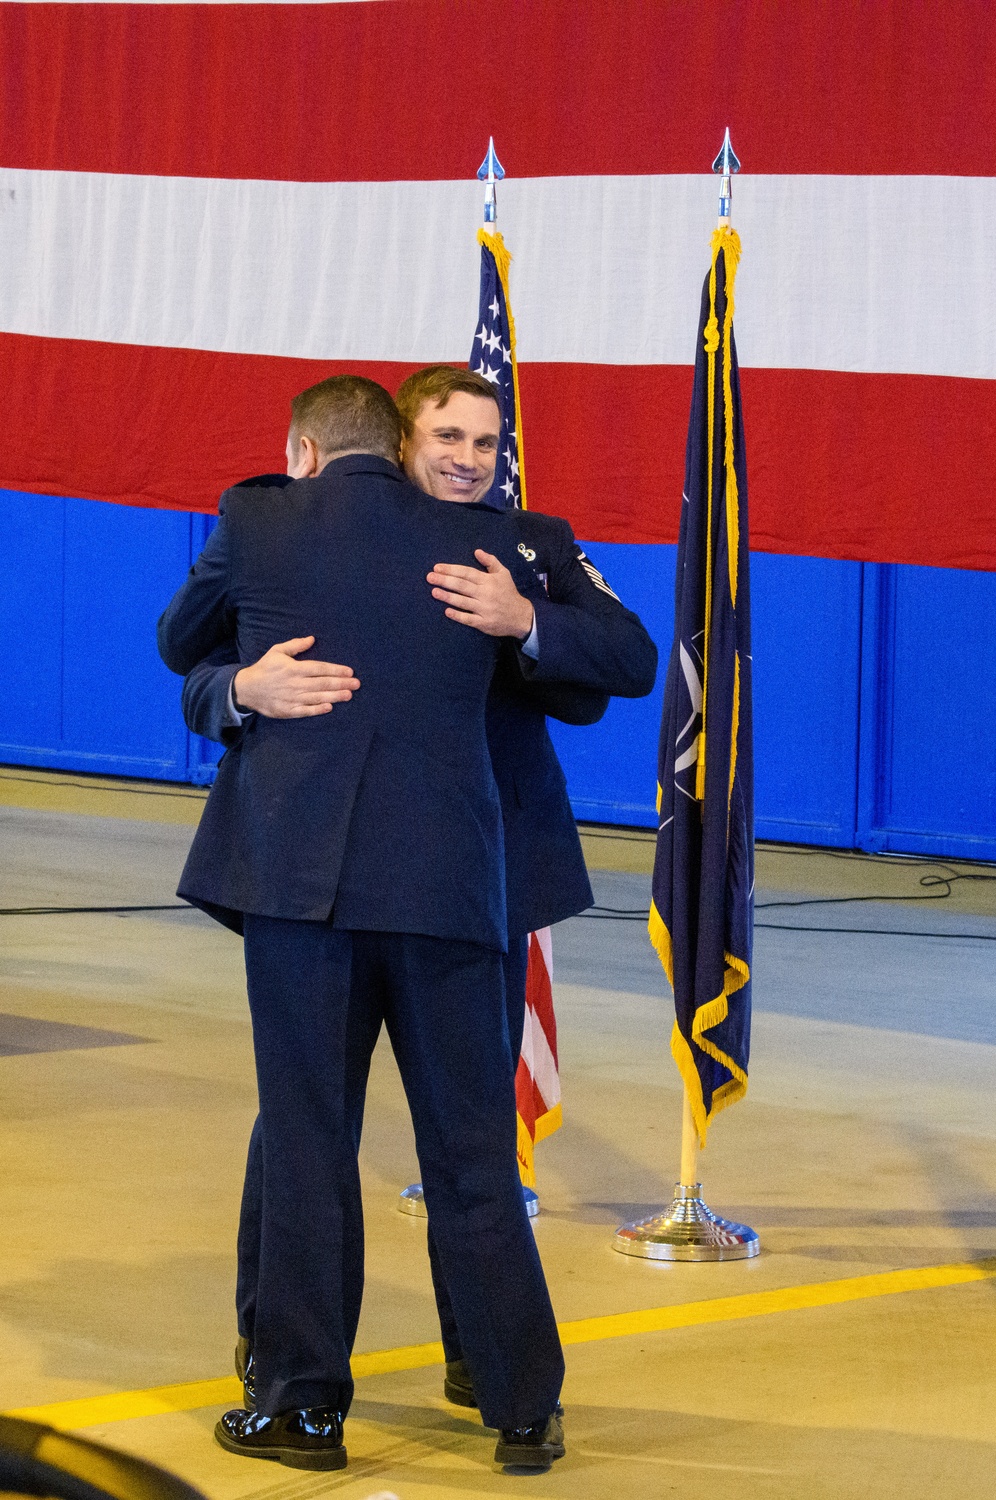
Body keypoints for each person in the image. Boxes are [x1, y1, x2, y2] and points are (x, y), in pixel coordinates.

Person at [181, 366, 658, 1414]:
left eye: (487, 442)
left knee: (466, 1138)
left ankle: (470, 1361)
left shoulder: (526, 542)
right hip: (329, 874)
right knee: (302, 1128)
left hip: (473, 875)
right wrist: (235, 690)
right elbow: (204, 657)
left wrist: (522, 617)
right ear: (401, 441)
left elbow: (628, 653)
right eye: (447, 434)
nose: (467, 457)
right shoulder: (309, 537)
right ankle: (280, 1350)